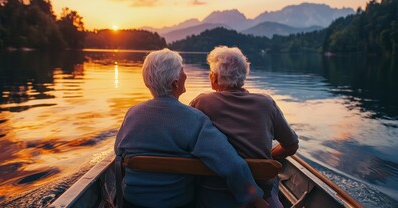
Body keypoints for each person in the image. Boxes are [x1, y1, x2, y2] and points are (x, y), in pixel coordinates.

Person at [114, 48, 267, 208]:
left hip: (132, 201)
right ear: (175, 83)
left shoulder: (132, 113)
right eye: (182, 71)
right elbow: (231, 163)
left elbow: (118, 151)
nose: (185, 75)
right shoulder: (194, 119)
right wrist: (255, 198)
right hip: (177, 203)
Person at [190, 46, 299, 208]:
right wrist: (268, 156)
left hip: (213, 194)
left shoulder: (201, 103)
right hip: (260, 192)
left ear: (214, 77)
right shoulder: (266, 103)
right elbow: (291, 145)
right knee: (274, 182)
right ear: (244, 76)